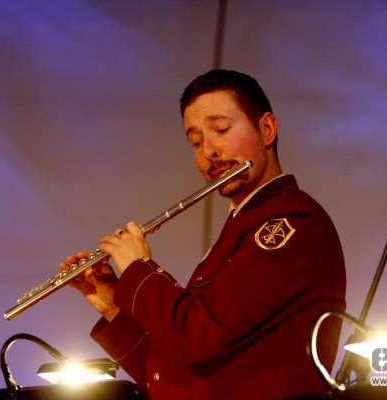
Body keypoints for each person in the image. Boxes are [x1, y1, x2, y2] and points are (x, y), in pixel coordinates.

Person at [60, 70, 346, 399]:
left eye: (221, 130)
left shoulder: (292, 223)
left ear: (266, 129)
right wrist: (114, 307)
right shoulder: (242, 226)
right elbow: (173, 373)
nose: (208, 150)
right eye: (196, 141)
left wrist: (139, 269)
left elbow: (197, 335)